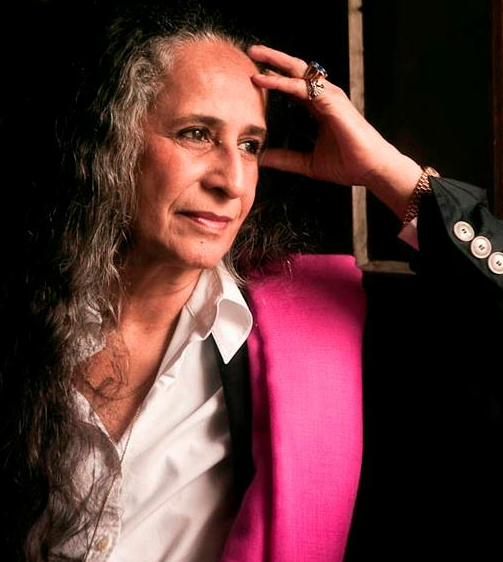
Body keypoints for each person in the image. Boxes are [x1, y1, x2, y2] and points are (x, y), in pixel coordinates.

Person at [1, 1, 501, 561]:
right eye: (196, 134)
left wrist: (387, 171)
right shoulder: (19, 318)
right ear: (111, 141)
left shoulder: (312, 335)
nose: (233, 182)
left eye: (250, 146)